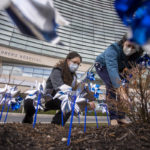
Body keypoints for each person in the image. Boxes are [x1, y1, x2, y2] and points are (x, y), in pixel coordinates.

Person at [23, 51, 95, 125]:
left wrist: (87, 101)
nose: (76, 65)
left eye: (78, 64)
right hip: (47, 99)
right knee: (29, 102)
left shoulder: (73, 77)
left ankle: (56, 125)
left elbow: (76, 91)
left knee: (70, 104)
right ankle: (28, 119)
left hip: (59, 100)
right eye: (75, 62)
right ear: (68, 60)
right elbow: (59, 88)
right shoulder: (57, 70)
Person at [95, 34, 143, 126]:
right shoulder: (113, 49)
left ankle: (121, 116)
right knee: (112, 86)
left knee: (125, 87)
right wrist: (120, 90)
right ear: (124, 41)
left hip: (120, 68)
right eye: (128, 45)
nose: (130, 49)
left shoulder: (135, 55)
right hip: (103, 66)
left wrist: (125, 88)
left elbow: (130, 70)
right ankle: (113, 117)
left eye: (133, 47)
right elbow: (112, 69)